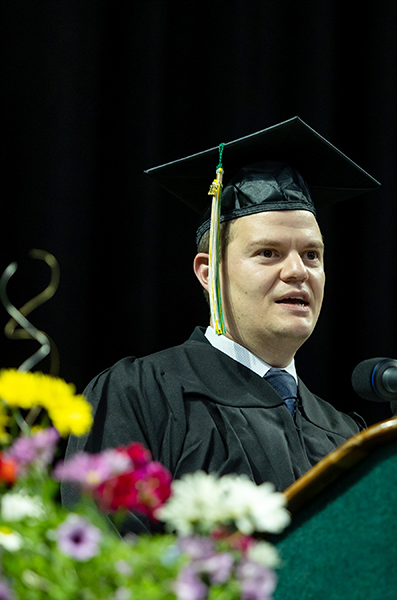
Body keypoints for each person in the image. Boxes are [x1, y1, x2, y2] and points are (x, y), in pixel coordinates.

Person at [62, 117, 379, 531]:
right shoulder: (141, 393)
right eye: (268, 252)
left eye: (312, 255)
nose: (298, 271)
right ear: (208, 272)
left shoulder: (343, 435)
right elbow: (103, 562)